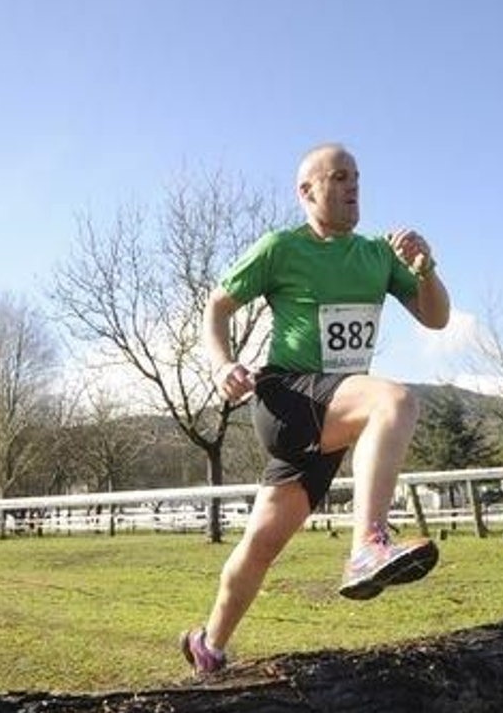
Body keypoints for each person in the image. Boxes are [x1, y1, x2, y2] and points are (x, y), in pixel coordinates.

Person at [180, 143, 452, 675]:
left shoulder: (377, 255)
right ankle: (367, 545)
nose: (353, 187)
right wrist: (220, 365)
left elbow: (435, 318)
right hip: (288, 397)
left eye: (358, 178)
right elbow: (217, 306)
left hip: (332, 417)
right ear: (307, 191)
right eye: (340, 177)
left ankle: (207, 646)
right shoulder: (280, 247)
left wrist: (426, 269)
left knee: (260, 546)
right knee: (393, 400)